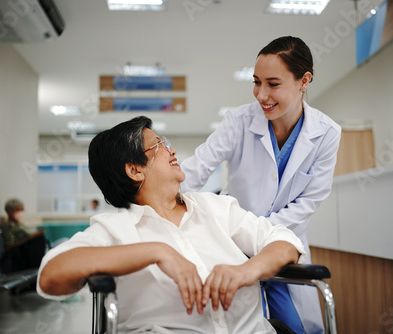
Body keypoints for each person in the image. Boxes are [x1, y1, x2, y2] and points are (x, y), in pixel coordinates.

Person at [37, 116, 306, 334]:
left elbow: (284, 241)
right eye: (160, 145)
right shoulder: (114, 229)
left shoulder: (215, 207)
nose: (172, 149)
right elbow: (51, 276)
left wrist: (249, 270)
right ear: (135, 170)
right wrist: (157, 252)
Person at [180, 36, 342, 334]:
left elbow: (308, 202)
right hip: (234, 245)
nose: (261, 94)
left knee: (298, 328)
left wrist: (262, 237)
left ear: (304, 80)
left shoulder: (327, 133)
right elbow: (199, 166)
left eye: (273, 83)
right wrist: (155, 197)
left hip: (282, 245)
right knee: (235, 325)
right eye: (257, 82)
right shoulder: (239, 121)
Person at [0, 198, 46, 272]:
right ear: (9, 211)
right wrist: (30, 238)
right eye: (18, 210)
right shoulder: (8, 225)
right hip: (19, 256)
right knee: (38, 240)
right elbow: (9, 246)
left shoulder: (19, 224)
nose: (21, 213)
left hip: (27, 254)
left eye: (22, 210)